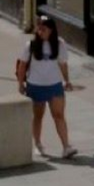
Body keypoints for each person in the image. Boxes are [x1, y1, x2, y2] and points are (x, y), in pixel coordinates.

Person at [14, 12, 78, 159]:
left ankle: (66, 147)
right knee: (38, 116)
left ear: (51, 30)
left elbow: (63, 64)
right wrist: (20, 84)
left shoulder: (59, 44)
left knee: (59, 115)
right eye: (39, 28)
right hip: (35, 86)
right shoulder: (30, 45)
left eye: (44, 29)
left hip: (54, 85)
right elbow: (22, 65)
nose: (40, 31)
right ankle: (38, 144)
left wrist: (67, 80)